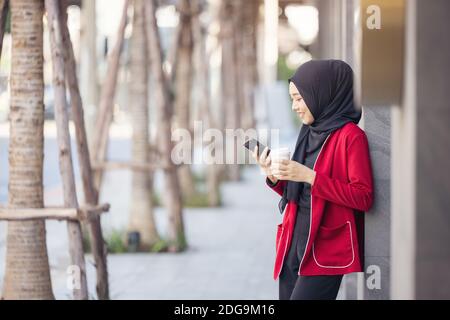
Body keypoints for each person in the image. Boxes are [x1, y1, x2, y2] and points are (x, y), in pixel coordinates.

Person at [252, 59, 374, 300]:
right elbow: (302, 193)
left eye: (299, 98)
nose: (295, 106)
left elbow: (363, 197)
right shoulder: (310, 131)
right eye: (292, 99)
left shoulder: (351, 137)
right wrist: (275, 177)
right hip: (293, 242)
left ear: (322, 93)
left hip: (325, 247)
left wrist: (310, 176)